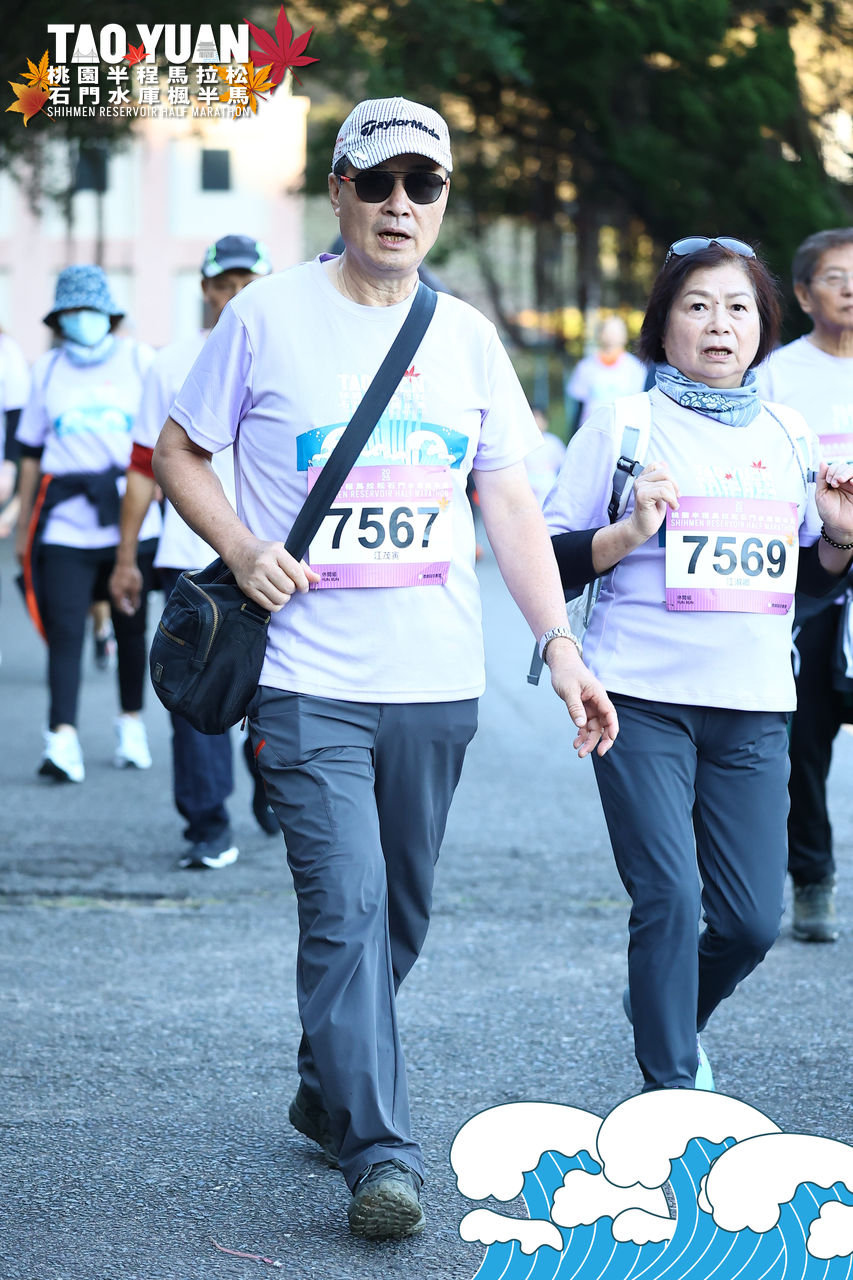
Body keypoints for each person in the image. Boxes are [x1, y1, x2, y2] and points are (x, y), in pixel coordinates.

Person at [151, 97, 617, 1240]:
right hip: (306, 678)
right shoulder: (265, 316)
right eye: (378, 181)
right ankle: (381, 1151)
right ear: (339, 192)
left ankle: (328, 1076)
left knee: (398, 911)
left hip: (434, 682)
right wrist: (243, 548)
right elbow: (178, 450)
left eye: (424, 184)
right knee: (348, 903)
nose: (399, 203)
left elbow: (508, 500)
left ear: (441, 201)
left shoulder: (466, 338)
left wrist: (559, 642)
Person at [544, 235, 853, 1095]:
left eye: (737, 308)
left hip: (752, 704)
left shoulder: (788, 433)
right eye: (697, 306)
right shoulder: (624, 425)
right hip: (636, 700)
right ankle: (670, 1090)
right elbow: (548, 559)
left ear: (761, 326)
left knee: (750, 922)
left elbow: (803, 588)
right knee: (669, 899)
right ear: (664, 323)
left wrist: (837, 538)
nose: (719, 325)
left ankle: (664, 1008)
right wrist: (627, 533)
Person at [109, 234, 278, 870]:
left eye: (249, 284)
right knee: (198, 691)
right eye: (225, 284)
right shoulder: (170, 364)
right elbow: (145, 466)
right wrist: (127, 556)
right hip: (190, 556)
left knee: (273, 690)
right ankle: (208, 825)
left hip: (275, 554)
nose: (236, 295)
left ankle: (269, 782)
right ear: (206, 289)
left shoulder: (288, 355)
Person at [14, 265, 160, 783]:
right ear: (58, 319)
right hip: (65, 525)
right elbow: (31, 453)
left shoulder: (141, 361)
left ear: (109, 314)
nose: (82, 318)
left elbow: (167, 440)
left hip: (130, 522)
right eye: (71, 311)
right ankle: (62, 739)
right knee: (65, 632)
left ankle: (131, 724)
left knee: (130, 628)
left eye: (90, 309)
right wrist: (23, 525)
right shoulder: (47, 370)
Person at [756, 228, 853, 942]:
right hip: (813, 567)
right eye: (834, 277)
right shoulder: (775, 377)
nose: (850, 289)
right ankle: (811, 877)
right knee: (806, 733)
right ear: (801, 293)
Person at [565, 314, 646, 434]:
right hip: (591, 432)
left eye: (616, 332)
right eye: (608, 331)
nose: (612, 336)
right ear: (600, 335)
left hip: (623, 432)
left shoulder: (636, 368)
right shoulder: (586, 367)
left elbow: (640, 406)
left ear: (624, 337)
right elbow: (578, 408)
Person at [524, 407, 567, 507]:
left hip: (547, 484)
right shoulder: (520, 443)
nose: (537, 423)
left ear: (545, 422)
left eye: (539, 419)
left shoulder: (553, 442)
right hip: (527, 483)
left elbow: (564, 466)